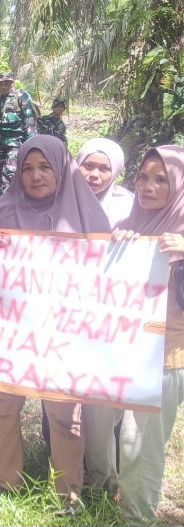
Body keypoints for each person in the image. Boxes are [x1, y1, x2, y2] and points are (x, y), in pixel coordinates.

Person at [0, 136, 109, 510]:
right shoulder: (1, 215)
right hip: (10, 336)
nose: (35, 176)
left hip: (63, 338)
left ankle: (68, 493)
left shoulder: (88, 218)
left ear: (62, 170)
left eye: (45, 167)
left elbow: (110, 278)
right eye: (27, 168)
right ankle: (3, 480)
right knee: (3, 407)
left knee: (64, 415)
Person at [111, 145, 184, 523]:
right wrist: (116, 246)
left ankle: (137, 517)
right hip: (118, 349)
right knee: (114, 431)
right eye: (142, 177)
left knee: (140, 442)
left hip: (164, 355)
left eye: (161, 180)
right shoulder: (130, 225)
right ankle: (109, 491)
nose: (147, 186)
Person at [74, 137, 135, 495]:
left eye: (104, 168)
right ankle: (70, 464)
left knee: (104, 401)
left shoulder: (128, 205)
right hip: (66, 314)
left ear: (116, 172)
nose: (95, 174)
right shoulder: (60, 198)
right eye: (88, 165)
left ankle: (104, 476)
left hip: (111, 317)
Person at [0, 72, 37, 196]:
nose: (3, 86)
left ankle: (12, 200)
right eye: (1, 84)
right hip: (0, 142)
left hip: (16, 142)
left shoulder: (21, 97)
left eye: (6, 84)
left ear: (12, 83)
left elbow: (30, 121)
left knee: (11, 173)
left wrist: (33, 144)